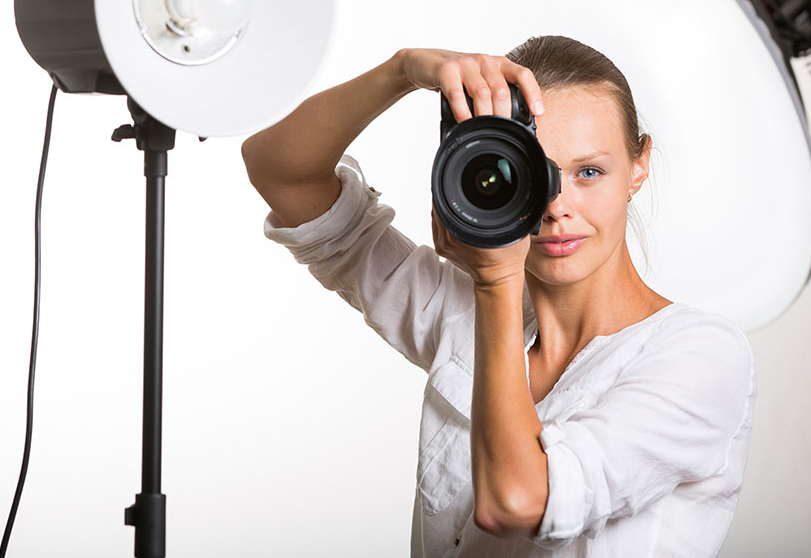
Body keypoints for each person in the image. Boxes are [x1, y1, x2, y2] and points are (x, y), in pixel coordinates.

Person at [241, 36, 756, 557]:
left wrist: (496, 283)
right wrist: (400, 72)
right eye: (534, 174)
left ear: (638, 166)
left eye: (589, 173)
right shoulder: (463, 311)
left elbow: (515, 502)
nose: (557, 207)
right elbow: (280, 173)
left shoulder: (701, 355)